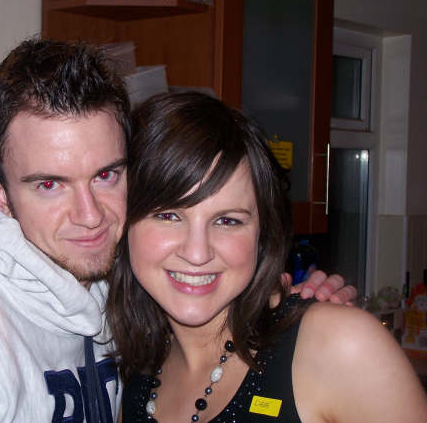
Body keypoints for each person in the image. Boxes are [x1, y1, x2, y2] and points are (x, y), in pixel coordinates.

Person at [0, 40, 355, 423]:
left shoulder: (121, 296)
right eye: (49, 185)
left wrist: (279, 299)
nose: (90, 215)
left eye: (106, 175)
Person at [109, 91, 427, 423]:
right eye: (168, 216)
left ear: (262, 234)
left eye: (227, 221)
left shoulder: (339, 345)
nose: (197, 253)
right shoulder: (133, 374)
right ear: (123, 224)